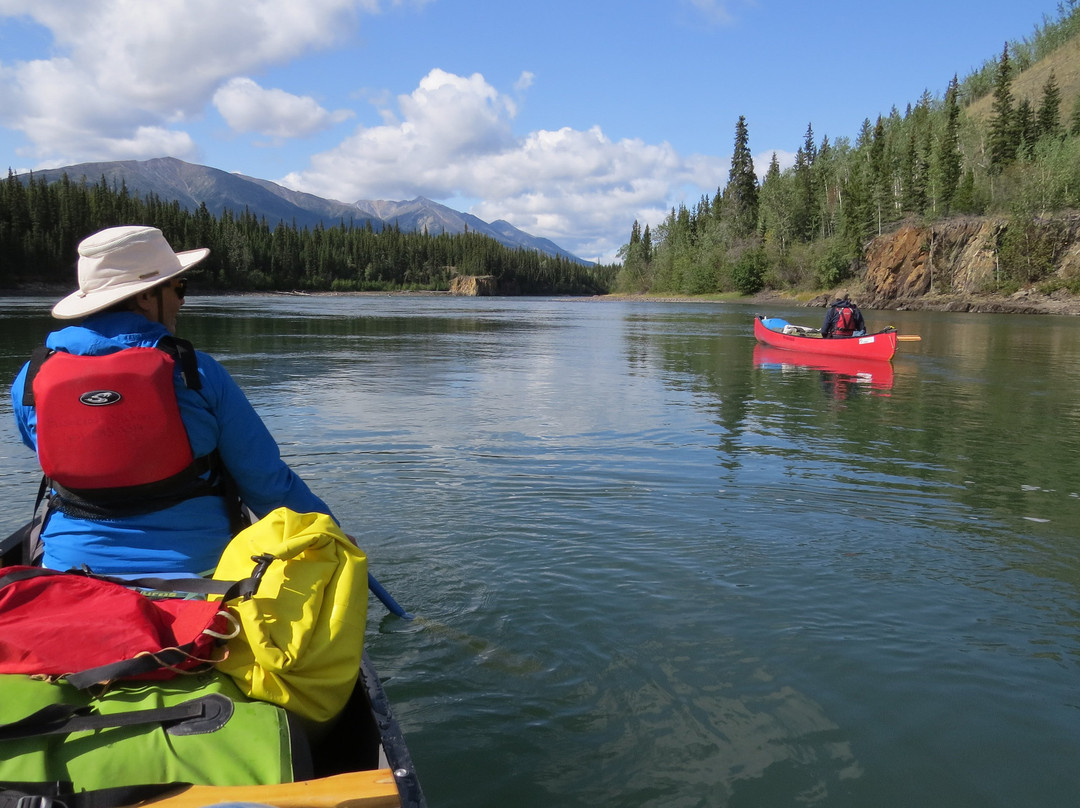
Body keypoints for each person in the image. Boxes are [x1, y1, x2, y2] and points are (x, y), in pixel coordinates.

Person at [9, 225, 334, 576]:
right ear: (146, 297)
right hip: (198, 577)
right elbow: (267, 486)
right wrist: (330, 533)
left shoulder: (32, 376)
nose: (182, 300)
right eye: (178, 287)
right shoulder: (197, 374)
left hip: (66, 569)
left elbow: (46, 448)